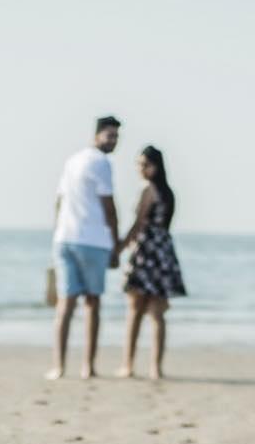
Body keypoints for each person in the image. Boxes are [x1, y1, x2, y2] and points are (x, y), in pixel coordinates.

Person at [47, 116, 122, 380]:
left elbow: (59, 200)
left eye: (116, 137)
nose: (113, 141)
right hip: (92, 240)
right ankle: (87, 367)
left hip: (64, 237)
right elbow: (109, 207)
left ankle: (59, 367)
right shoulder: (101, 163)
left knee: (66, 304)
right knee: (91, 303)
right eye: (109, 136)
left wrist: (57, 232)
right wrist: (115, 244)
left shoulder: (72, 161)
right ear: (97, 135)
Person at [116, 145, 186, 381]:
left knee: (136, 310)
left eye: (144, 164)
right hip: (164, 252)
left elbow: (138, 225)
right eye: (139, 164)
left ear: (155, 166)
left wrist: (118, 249)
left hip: (146, 252)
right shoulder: (169, 192)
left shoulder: (148, 190)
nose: (140, 169)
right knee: (158, 313)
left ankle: (128, 364)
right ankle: (156, 368)